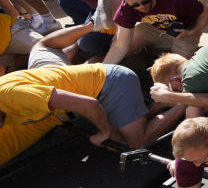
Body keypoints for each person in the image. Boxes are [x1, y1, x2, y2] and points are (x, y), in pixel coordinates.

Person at [0, 62, 184, 152]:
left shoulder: (12, 95)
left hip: (110, 84)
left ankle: (185, 102)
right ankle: (161, 103)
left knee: (135, 143)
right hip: (97, 92)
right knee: (117, 141)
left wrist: (105, 132)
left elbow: (88, 104)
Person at [102, 0, 208, 65]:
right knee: (118, 44)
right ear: (124, 0)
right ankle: (142, 56)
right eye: (135, 5)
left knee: (177, 66)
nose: (142, 7)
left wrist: (192, 31)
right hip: (152, 26)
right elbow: (120, 45)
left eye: (145, 1)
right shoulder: (125, 10)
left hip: (184, 28)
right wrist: (104, 70)